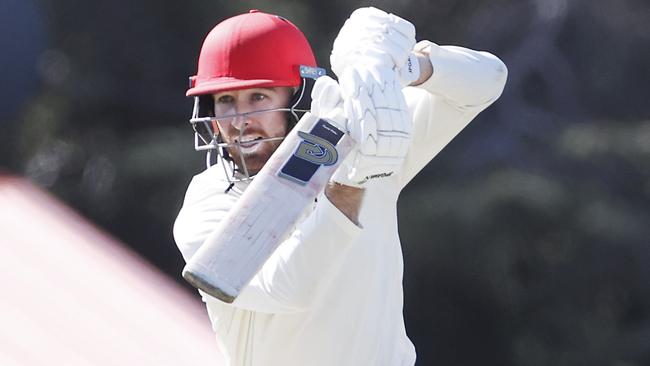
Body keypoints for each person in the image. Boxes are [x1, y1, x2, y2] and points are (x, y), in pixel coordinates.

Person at [174, 7, 507, 366]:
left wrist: (405, 68)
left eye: (259, 97)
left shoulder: (364, 136)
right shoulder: (207, 202)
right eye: (226, 101)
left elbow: (488, 81)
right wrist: (351, 183)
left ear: (298, 96)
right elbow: (287, 287)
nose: (240, 122)